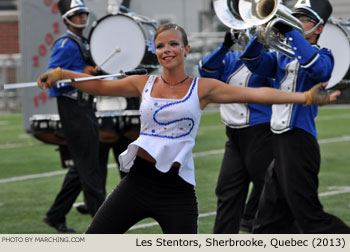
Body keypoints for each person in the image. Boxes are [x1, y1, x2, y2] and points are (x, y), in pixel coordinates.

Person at [38, 23, 338, 234]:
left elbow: (256, 94)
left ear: (185, 48)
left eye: (173, 44)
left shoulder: (202, 88)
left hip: (177, 192)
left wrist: (305, 97)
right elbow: (100, 86)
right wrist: (63, 73)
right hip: (136, 185)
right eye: (160, 46)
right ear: (155, 52)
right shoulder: (143, 83)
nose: (167, 50)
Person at [240, 0, 350, 233]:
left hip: (299, 142)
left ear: (319, 28)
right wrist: (259, 34)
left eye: (303, 18)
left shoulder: (324, 55)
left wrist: (289, 29)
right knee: (267, 219)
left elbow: (317, 69)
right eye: (294, 16)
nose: (296, 20)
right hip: (279, 141)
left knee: (309, 216)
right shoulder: (281, 57)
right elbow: (252, 62)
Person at [198, 30, 274, 233]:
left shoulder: (270, 58)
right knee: (227, 190)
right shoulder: (230, 57)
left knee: (269, 188)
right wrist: (224, 47)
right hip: (233, 135)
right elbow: (205, 71)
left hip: (261, 132)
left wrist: (260, 40)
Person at [42, 0, 105, 233]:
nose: (81, 18)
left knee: (82, 167)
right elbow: (52, 77)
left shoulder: (84, 42)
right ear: (67, 18)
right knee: (90, 168)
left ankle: (55, 215)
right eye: (76, 15)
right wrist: (81, 73)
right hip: (72, 108)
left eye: (83, 14)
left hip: (86, 107)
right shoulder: (65, 44)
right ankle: (103, 224)